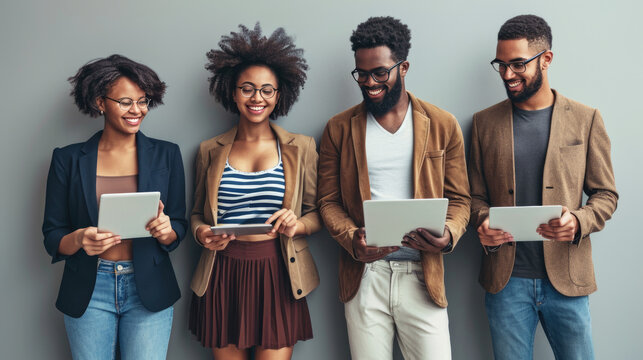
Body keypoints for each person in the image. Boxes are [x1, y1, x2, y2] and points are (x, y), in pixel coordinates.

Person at [317, 16, 471, 360]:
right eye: (361, 74)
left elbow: (461, 199)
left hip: (423, 274)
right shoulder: (338, 129)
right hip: (365, 277)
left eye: (380, 73)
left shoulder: (443, 125)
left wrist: (449, 234)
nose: (370, 82)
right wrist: (351, 239)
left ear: (403, 67)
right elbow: (327, 201)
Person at [468, 15, 618, 360]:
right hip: (505, 283)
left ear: (546, 59)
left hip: (567, 279)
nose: (507, 75)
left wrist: (579, 221)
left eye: (518, 64)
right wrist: (482, 223)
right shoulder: (483, 123)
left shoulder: (586, 118)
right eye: (501, 65)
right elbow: (474, 197)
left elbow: (606, 194)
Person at [188, 24, 321, 360]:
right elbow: (196, 215)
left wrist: (298, 224)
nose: (256, 98)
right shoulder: (209, 150)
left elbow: (318, 212)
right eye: (247, 89)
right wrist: (202, 233)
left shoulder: (301, 147)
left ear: (279, 95)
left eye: (266, 90)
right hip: (223, 273)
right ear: (232, 93)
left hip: (278, 272)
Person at [42, 54, 187, 359]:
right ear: (100, 102)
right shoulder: (67, 160)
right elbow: (53, 235)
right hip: (89, 290)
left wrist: (167, 231)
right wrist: (80, 238)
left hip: (149, 288)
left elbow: (180, 226)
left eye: (143, 100)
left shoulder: (167, 155)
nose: (137, 110)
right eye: (125, 102)